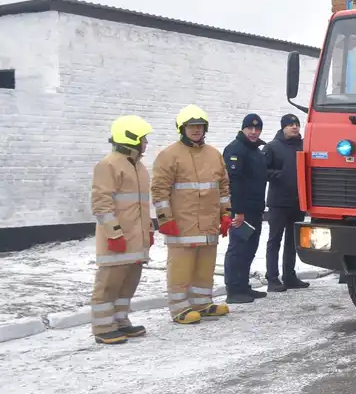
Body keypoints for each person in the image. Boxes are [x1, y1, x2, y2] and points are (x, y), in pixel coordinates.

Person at [152, 105, 232, 324]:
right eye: (191, 126)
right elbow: (159, 190)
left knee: (205, 267)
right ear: (182, 128)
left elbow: (223, 188)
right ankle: (179, 308)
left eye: (200, 126)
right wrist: (164, 219)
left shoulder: (214, 155)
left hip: (208, 224)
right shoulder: (169, 155)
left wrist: (226, 214)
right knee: (181, 267)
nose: (196, 130)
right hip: (182, 224)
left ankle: (202, 303)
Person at [89, 115, 155, 345]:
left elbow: (142, 205)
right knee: (109, 283)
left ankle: (120, 320)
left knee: (129, 282)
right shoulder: (108, 165)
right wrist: (113, 233)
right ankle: (103, 326)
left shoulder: (138, 167)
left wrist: (149, 230)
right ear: (131, 138)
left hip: (136, 239)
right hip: (117, 238)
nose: (146, 143)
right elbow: (101, 203)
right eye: (143, 139)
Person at [222, 113, 269, 304]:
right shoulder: (236, 149)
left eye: (257, 129)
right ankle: (233, 289)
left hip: (255, 208)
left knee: (250, 248)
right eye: (250, 128)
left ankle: (243, 286)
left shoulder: (256, 151)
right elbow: (234, 183)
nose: (254, 132)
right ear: (243, 128)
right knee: (238, 248)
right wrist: (238, 212)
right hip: (241, 210)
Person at [264, 114, 309, 291]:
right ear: (283, 127)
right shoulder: (272, 147)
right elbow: (263, 170)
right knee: (274, 240)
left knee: (293, 241)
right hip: (278, 201)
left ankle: (289, 276)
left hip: (298, 201)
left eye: (296, 124)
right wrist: (279, 175)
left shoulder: (304, 146)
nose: (294, 127)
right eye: (290, 125)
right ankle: (272, 279)